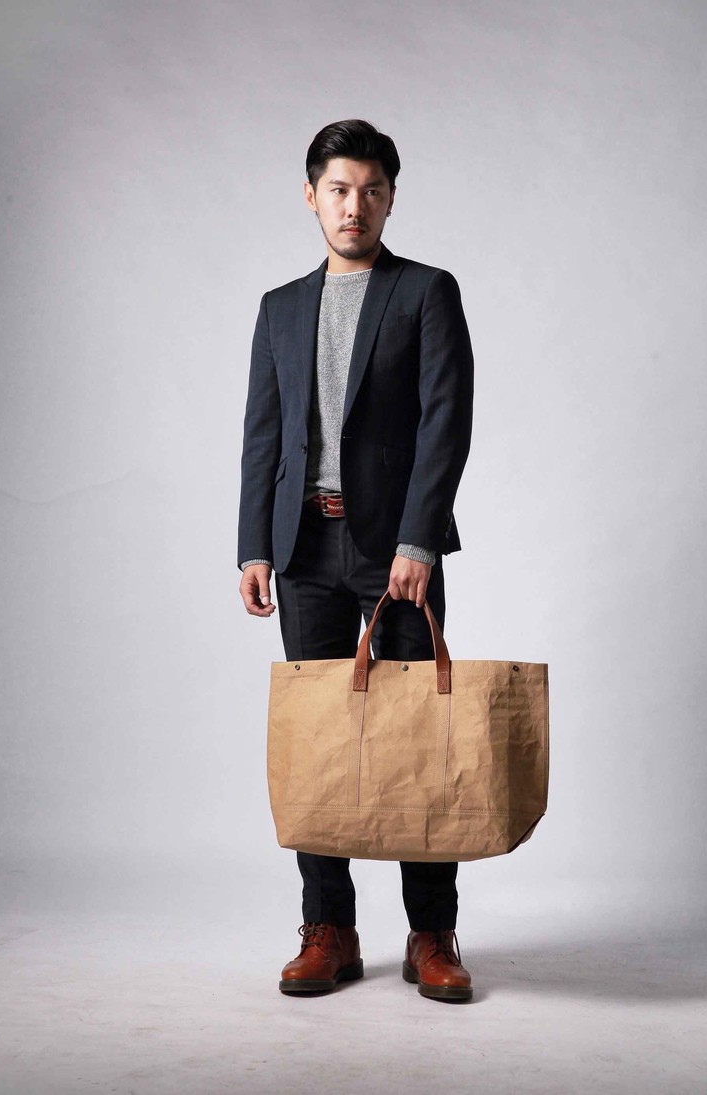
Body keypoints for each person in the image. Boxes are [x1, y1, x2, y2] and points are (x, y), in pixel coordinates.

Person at [237, 119, 474, 1001]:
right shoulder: (280, 307)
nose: (354, 206)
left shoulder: (425, 291)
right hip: (303, 548)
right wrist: (254, 545)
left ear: (390, 199)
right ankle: (327, 927)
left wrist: (419, 540)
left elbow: (446, 420)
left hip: (395, 552)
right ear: (311, 196)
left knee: (419, 735)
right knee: (318, 741)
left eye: (372, 191)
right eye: (339, 189)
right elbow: (263, 433)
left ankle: (431, 931)